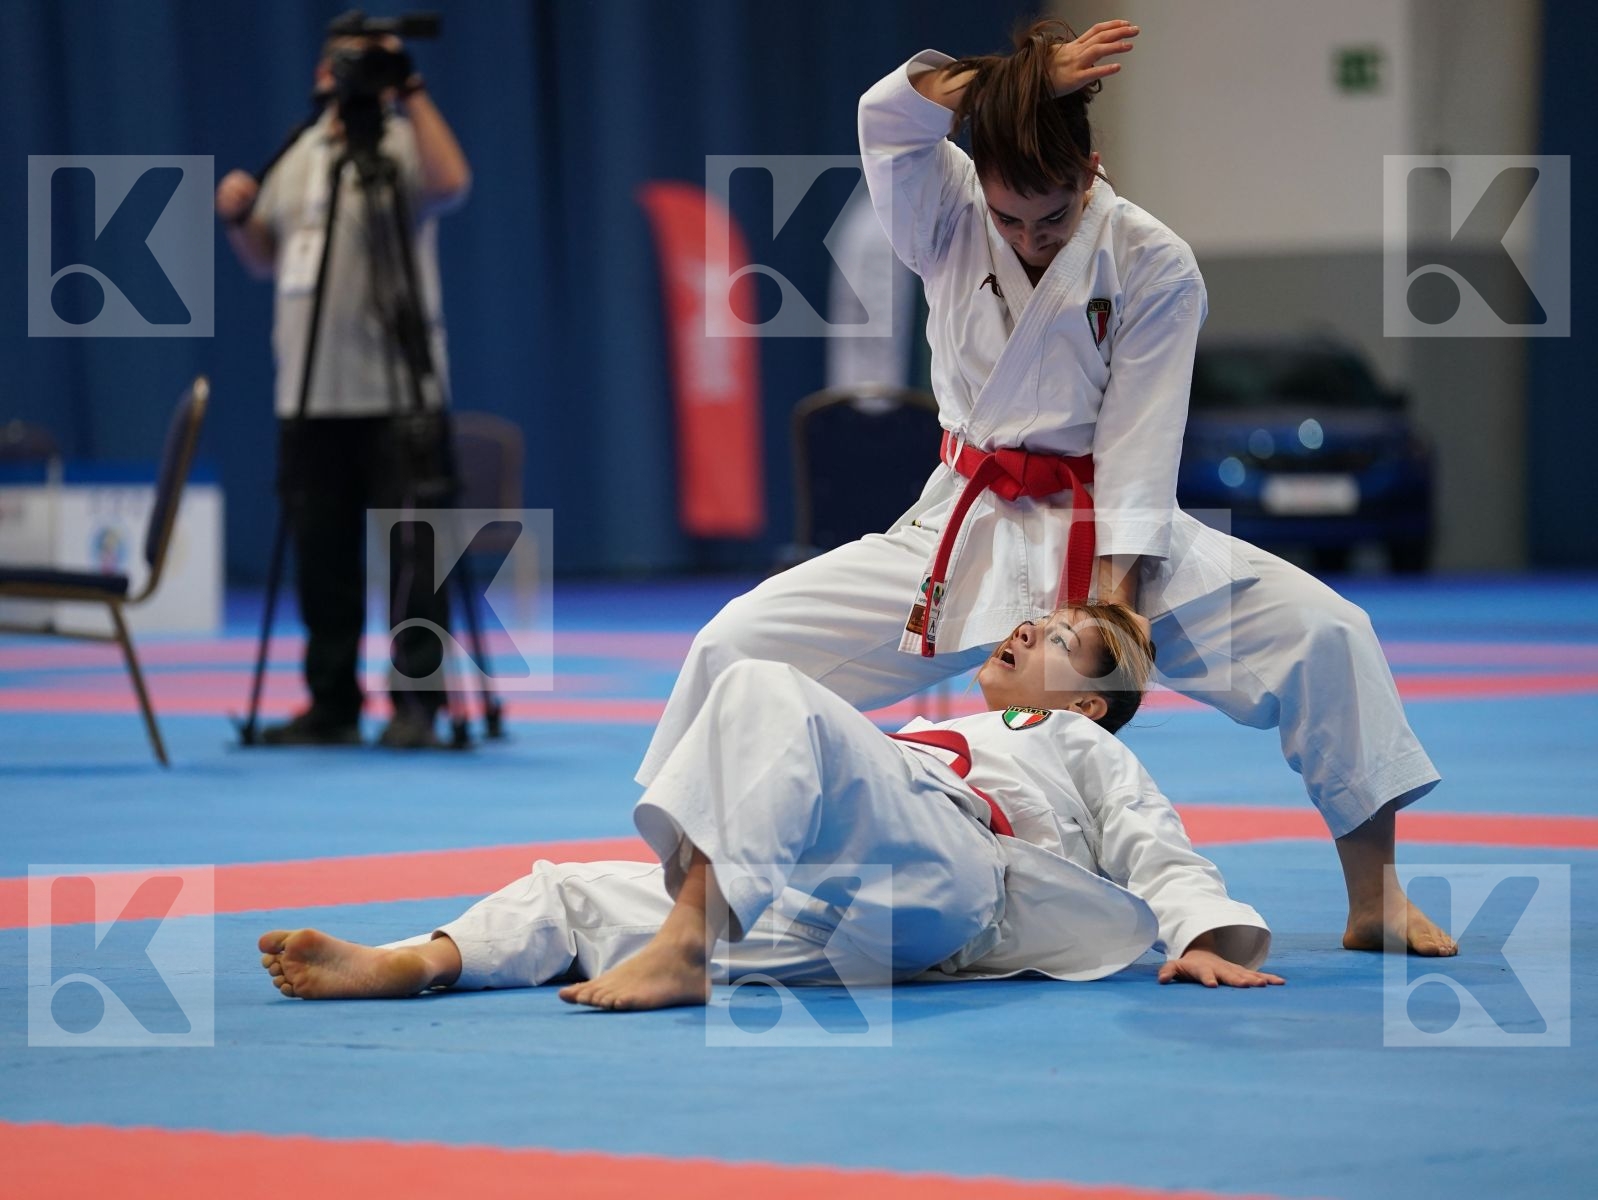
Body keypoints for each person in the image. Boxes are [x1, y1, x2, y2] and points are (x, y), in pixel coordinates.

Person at [634, 19, 1454, 956]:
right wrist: (1011, 79)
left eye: (1052, 217)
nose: (1028, 236)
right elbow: (886, 115)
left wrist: (1113, 612)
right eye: (1010, 216)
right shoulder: (943, 207)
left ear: (1091, 172)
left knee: (1328, 634)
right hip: (958, 532)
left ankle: (1376, 897)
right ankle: (693, 911)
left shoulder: (1152, 262)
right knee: (734, 642)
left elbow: (1140, 450)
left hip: (1105, 527)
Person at [259, 601, 1286, 1011]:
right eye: (1036, 614)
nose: (1026, 626)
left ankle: (689, 940)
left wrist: (1205, 936)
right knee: (569, 892)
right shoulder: (935, 730)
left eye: (1059, 636)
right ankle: (417, 961)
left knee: (757, 683)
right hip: (855, 903)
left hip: (965, 877)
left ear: (1087, 701)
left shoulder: (1069, 747)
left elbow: (1156, 846)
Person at [216, 31, 472, 749]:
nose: (351, 72)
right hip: (308, 393)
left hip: (401, 394)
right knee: (321, 557)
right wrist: (240, 218)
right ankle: (331, 702)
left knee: (415, 557)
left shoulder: (399, 143)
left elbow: (452, 183)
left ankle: (417, 704)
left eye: (369, 59)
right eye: (346, 57)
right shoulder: (299, 152)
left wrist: (409, 90)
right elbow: (266, 258)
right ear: (321, 70)